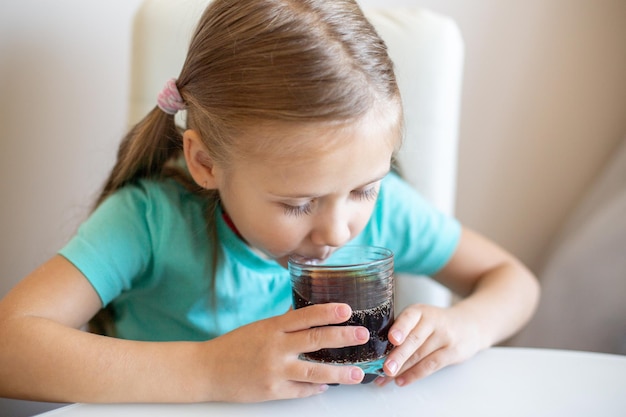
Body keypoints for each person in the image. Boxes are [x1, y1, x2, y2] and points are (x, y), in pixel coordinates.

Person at [0, 0, 539, 404]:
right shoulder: (151, 221)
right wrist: (210, 369)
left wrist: (466, 327)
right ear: (206, 162)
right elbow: (9, 344)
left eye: (363, 190)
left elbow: (511, 280)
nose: (338, 230)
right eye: (299, 204)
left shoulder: (387, 209)